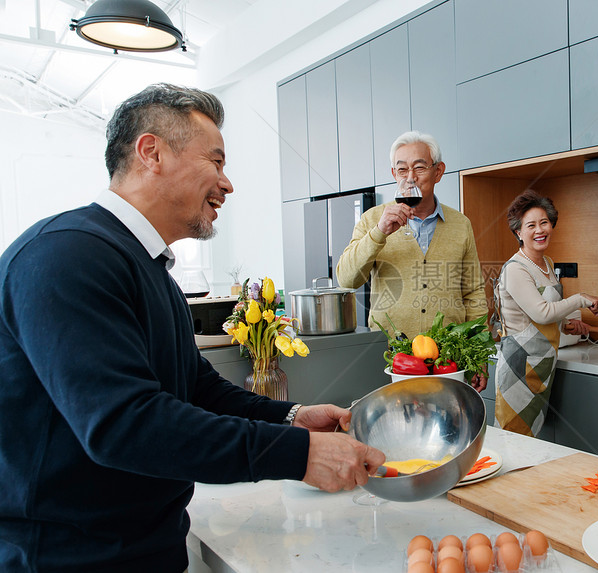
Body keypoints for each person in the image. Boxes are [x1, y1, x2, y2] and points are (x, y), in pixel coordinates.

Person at [0, 84, 384, 572]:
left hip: (143, 548)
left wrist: (290, 418)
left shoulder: (146, 265)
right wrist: (297, 454)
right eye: (217, 162)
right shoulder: (66, 256)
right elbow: (124, 424)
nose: (228, 184)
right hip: (69, 558)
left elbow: (193, 385)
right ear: (151, 152)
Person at [336, 130, 489, 391]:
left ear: (438, 172)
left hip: (448, 358)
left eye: (419, 168)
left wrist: (480, 358)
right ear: (394, 174)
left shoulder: (461, 225)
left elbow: (473, 292)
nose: (410, 178)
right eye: (402, 169)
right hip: (391, 359)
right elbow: (346, 279)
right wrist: (379, 233)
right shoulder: (373, 220)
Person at [494, 190, 598, 436]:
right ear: (518, 233)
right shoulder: (515, 269)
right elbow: (542, 313)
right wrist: (581, 300)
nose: (539, 230)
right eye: (530, 225)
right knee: (514, 439)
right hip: (519, 369)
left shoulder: (548, 263)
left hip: (542, 365)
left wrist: (566, 325)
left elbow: (547, 315)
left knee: (532, 441)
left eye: (544, 222)